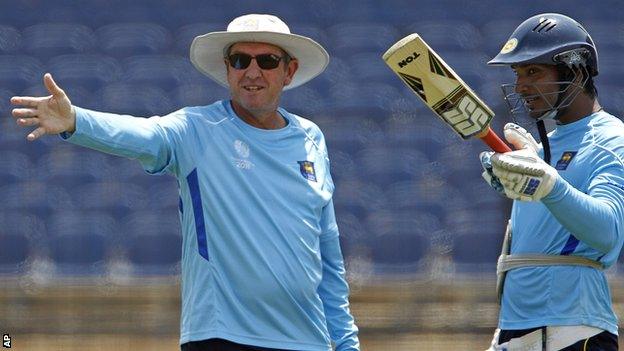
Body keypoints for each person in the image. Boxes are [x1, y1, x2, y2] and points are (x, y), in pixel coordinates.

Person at [10, 14, 360, 351]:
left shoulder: (312, 139)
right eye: (240, 60)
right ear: (228, 70)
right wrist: (75, 120)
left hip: (308, 339)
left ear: (289, 71)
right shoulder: (195, 128)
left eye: (267, 60)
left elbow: (327, 254)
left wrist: (346, 342)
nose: (252, 71)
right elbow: (142, 135)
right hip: (222, 337)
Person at [480, 13, 624, 351]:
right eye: (517, 74)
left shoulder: (612, 139)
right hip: (516, 331)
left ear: (574, 71)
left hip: (574, 331)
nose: (519, 86)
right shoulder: (541, 148)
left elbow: (608, 235)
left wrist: (548, 184)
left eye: (533, 71)